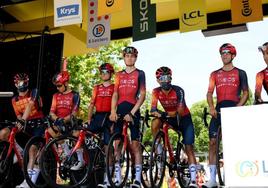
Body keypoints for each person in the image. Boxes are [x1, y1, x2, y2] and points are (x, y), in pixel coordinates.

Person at [203, 43, 249, 188]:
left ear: (233, 55)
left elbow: (246, 93)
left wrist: (237, 108)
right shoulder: (214, 74)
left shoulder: (240, 73)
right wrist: (211, 107)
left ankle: (234, 176)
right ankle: (212, 179)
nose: (224, 55)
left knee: (234, 145)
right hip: (218, 110)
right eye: (222, 53)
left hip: (234, 109)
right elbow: (209, 93)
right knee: (212, 143)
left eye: (227, 53)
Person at [150, 66, 198, 188]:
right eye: (162, 78)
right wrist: (163, 114)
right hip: (169, 117)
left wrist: (162, 113)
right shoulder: (155, 91)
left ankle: (193, 180)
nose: (165, 80)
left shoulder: (178, 90)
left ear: (171, 78)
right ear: (158, 80)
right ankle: (160, 150)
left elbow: (180, 112)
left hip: (184, 119)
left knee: (189, 147)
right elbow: (153, 110)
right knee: (155, 122)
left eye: (167, 77)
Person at [109, 46, 146, 188]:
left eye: (132, 56)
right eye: (127, 56)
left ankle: (137, 180)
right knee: (117, 144)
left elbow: (142, 95)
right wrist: (113, 111)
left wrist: (132, 113)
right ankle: (118, 179)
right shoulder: (118, 74)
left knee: (135, 145)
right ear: (124, 57)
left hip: (133, 109)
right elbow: (115, 94)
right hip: (120, 109)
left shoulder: (140, 73)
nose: (129, 58)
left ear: (135, 58)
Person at [0, 73, 45, 188]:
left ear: (27, 82)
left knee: (33, 150)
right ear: (15, 84)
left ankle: (28, 182)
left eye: (24, 82)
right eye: (19, 83)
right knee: (4, 133)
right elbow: (18, 115)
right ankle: (18, 151)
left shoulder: (34, 91)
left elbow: (30, 105)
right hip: (25, 125)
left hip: (39, 125)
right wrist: (20, 122)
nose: (22, 84)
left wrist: (22, 120)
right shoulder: (14, 99)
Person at [85, 63, 114, 188]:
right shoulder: (96, 87)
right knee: (80, 133)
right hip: (97, 116)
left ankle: (108, 180)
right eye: (101, 72)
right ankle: (81, 159)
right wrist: (89, 118)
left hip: (109, 117)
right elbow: (91, 104)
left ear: (111, 73)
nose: (103, 74)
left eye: (106, 72)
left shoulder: (115, 87)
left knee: (108, 149)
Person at [47, 71, 83, 170]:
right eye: (56, 86)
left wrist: (64, 119)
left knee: (77, 134)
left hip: (71, 122)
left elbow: (74, 113)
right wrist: (58, 119)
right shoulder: (55, 96)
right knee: (50, 130)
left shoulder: (75, 95)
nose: (57, 88)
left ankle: (81, 160)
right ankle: (67, 153)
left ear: (66, 83)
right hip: (59, 122)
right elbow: (51, 113)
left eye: (59, 85)